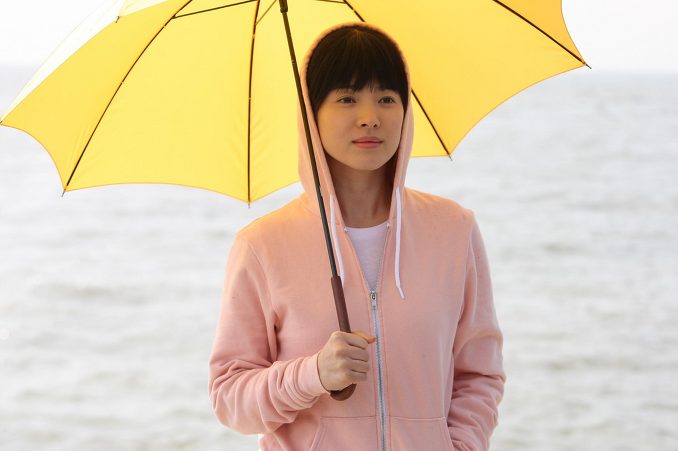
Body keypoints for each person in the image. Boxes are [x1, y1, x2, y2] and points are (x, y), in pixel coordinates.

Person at [208, 22, 504, 451]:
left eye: (387, 98)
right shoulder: (262, 245)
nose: (370, 117)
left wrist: (460, 446)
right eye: (347, 98)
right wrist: (312, 375)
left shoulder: (454, 229)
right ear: (312, 114)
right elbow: (230, 399)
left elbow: (479, 375)